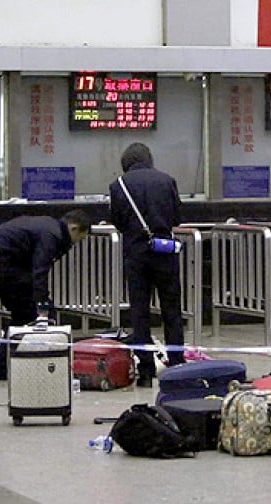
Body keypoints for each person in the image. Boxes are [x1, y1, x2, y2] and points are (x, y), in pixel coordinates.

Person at [0, 210, 92, 381]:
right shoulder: (52, 236)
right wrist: (42, 305)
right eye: (79, 238)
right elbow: (40, 271)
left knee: (22, 315)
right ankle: (44, 365)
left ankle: (2, 365)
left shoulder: (49, 226)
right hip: (0, 266)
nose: (76, 243)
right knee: (32, 313)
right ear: (74, 228)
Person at [108, 142, 186, 388]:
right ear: (149, 159)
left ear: (126, 162)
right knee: (171, 309)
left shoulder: (118, 185)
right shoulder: (167, 181)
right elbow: (177, 217)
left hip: (137, 254)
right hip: (164, 252)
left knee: (139, 311)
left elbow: (118, 221)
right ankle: (177, 364)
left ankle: (145, 370)